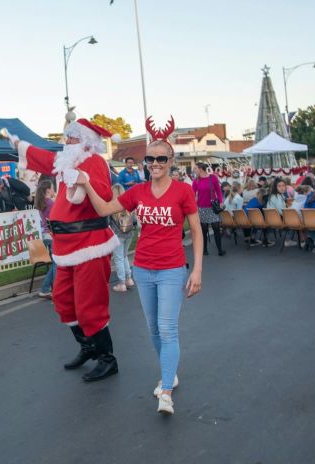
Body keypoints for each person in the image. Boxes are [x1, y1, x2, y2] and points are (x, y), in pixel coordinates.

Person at [77, 122, 203, 415]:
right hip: (143, 269)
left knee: (168, 329)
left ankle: (167, 392)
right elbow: (105, 209)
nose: (155, 163)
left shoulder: (183, 191)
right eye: (150, 159)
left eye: (161, 159)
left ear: (170, 162)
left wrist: (197, 270)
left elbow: (196, 231)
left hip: (172, 268)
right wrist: (85, 183)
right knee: (154, 330)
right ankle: (170, 372)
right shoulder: (137, 192)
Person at [9, 118, 120, 383]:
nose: (66, 142)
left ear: (85, 142)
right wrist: (17, 143)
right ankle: (88, 347)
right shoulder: (66, 161)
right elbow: (45, 158)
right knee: (63, 300)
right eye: (66, 137)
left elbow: (104, 195)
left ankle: (107, 358)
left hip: (89, 244)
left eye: (71, 138)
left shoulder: (94, 162)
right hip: (65, 246)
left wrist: (83, 181)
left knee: (89, 306)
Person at [192, 162, 225, 256]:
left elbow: (218, 190)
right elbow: (192, 194)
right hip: (201, 208)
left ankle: (220, 250)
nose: (194, 170)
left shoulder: (213, 178)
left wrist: (221, 201)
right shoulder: (196, 181)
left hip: (212, 207)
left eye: (195, 168)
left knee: (216, 228)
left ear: (200, 169)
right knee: (204, 230)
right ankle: (204, 249)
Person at [109, 183, 136, 293]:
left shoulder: (111, 205)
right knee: (124, 256)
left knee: (118, 257)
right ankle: (129, 278)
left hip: (118, 234)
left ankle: (122, 283)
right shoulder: (127, 204)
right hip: (129, 233)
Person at [33, 180, 57, 298]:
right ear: (48, 190)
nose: (54, 190)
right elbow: (56, 218)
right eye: (52, 188)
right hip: (52, 234)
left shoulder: (42, 202)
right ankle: (54, 290)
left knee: (55, 263)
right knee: (57, 264)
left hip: (44, 234)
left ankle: (45, 288)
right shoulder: (50, 203)